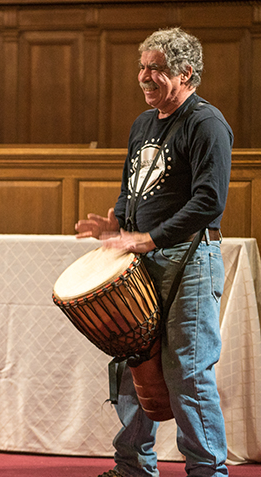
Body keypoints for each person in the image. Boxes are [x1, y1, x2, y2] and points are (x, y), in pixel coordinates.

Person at [75, 28, 232, 477]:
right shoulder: (143, 124)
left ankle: (207, 471)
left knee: (187, 372)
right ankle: (133, 468)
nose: (144, 77)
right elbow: (131, 188)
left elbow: (209, 202)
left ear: (185, 73)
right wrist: (120, 224)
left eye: (155, 69)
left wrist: (150, 238)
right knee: (133, 364)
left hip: (190, 261)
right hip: (143, 259)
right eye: (141, 67)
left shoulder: (207, 123)